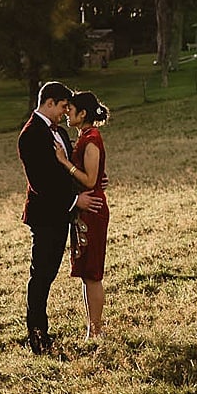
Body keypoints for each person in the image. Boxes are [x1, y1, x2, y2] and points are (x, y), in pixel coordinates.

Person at [18, 80, 104, 354]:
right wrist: (74, 199)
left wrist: (91, 183)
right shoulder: (31, 135)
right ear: (50, 103)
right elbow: (41, 182)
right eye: (63, 107)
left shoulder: (59, 134)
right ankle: (37, 336)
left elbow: (68, 172)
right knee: (41, 275)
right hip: (45, 217)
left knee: (49, 273)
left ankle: (43, 332)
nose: (65, 113)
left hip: (62, 216)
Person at [56, 89, 111, 342]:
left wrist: (65, 163)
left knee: (92, 273)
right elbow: (96, 176)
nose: (67, 113)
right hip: (83, 211)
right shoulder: (85, 137)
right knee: (87, 273)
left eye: (71, 109)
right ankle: (92, 328)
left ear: (83, 113)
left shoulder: (91, 139)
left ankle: (96, 330)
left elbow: (89, 179)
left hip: (92, 211)